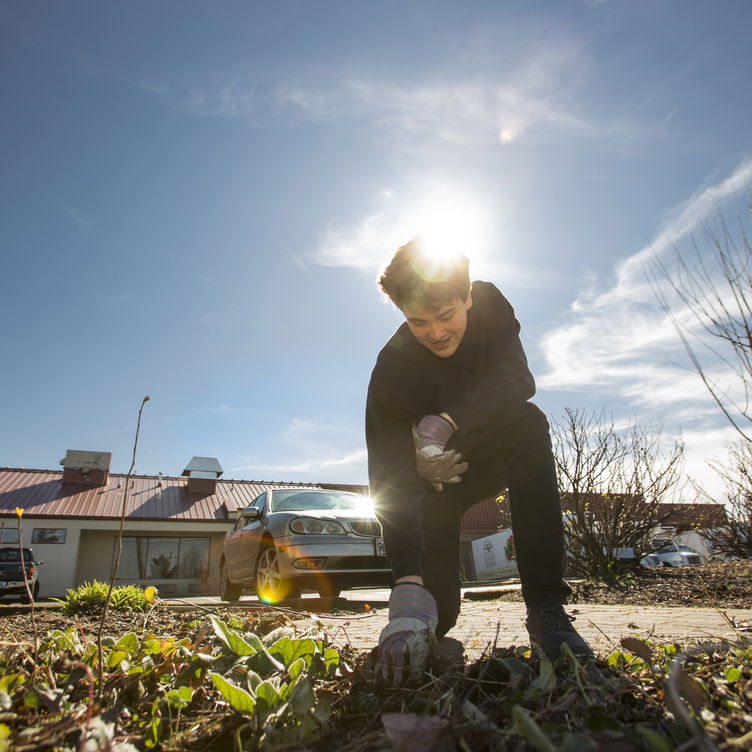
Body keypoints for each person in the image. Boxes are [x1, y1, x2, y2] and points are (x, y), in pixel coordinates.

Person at [365, 237, 592, 684]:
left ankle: (546, 608)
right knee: (436, 616)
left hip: (493, 452)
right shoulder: (390, 370)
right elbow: (386, 475)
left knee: (528, 421)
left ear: (467, 296)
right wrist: (407, 578)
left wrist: (449, 420)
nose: (435, 332)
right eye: (419, 322)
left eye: (447, 315)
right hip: (434, 484)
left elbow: (517, 379)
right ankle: (431, 619)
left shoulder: (490, 305)